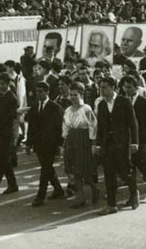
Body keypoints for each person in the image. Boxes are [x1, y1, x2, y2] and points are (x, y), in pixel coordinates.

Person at [94, 76, 139, 214]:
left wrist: (134, 142)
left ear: (113, 87)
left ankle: (134, 193)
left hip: (122, 143)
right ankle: (111, 205)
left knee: (125, 171)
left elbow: (133, 124)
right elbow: (100, 127)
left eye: (105, 87)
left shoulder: (124, 102)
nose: (102, 90)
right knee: (109, 174)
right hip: (108, 145)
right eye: (100, 87)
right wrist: (98, 144)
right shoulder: (101, 104)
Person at [26, 82, 65, 206]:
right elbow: (31, 127)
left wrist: (60, 144)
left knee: (45, 169)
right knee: (47, 167)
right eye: (37, 91)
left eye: (41, 91)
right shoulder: (34, 107)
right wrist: (28, 143)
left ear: (47, 92)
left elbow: (59, 127)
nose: (38, 94)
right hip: (39, 143)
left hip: (51, 144)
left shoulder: (55, 107)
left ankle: (40, 196)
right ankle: (58, 189)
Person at [123, 75, 146, 202]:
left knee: (144, 166)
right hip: (127, 141)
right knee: (129, 169)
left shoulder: (145, 102)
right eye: (124, 87)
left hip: (141, 140)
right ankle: (133, 194)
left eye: (129, 87)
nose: (126, 90)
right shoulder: (122, 101)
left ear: (136, 87)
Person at [62, 81, 98, 209]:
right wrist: (64, 143)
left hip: (83, 140)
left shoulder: (86, 109)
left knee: (84, 169)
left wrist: (93, 143)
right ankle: (80, 197)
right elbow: (65, 127)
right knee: (74, 171)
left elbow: (93, 126)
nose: (72, 97)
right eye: (71, 95)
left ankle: (94, 189)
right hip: (72, 139)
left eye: (75, 95)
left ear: (81, 95)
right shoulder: (67, 110)